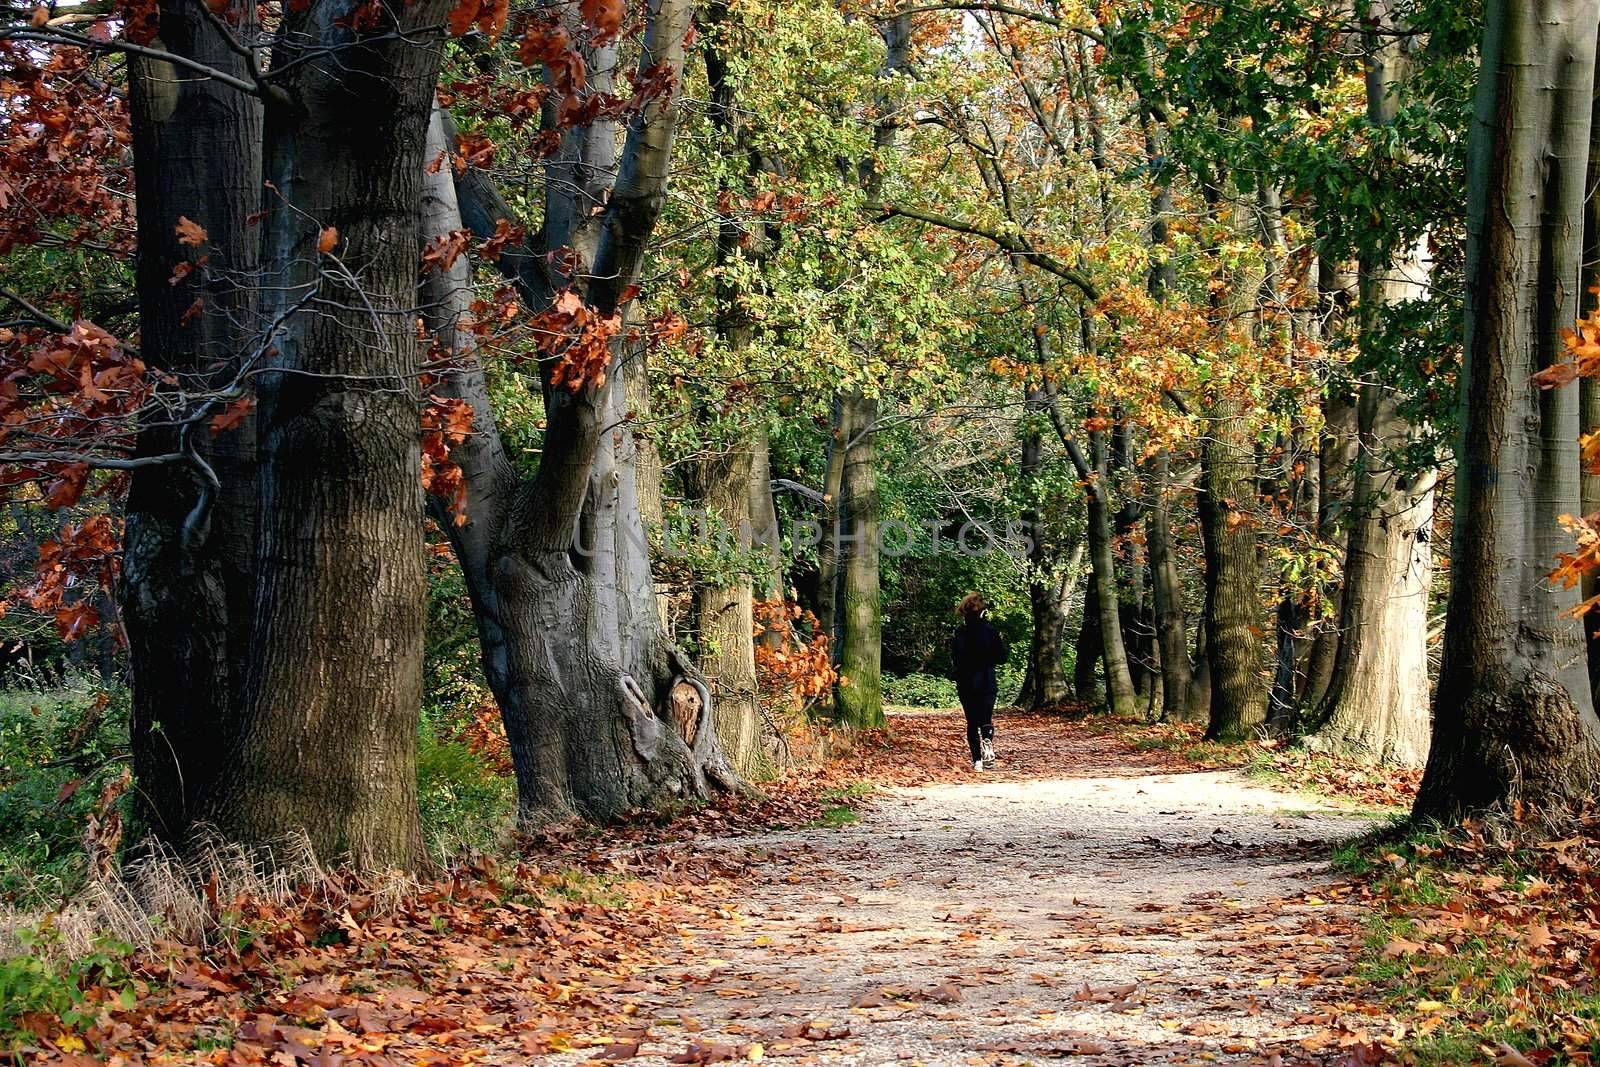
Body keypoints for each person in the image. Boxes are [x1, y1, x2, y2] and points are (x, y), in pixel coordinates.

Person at [950, 592, 1006, 771]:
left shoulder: (960, 633)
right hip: (987, 680)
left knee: (972, 721)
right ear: (982, 612)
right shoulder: (991, 631)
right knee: (986, 718)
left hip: (966, 682)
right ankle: (988, 739)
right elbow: (1002, 657)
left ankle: (977, 761)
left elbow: (955, 658)